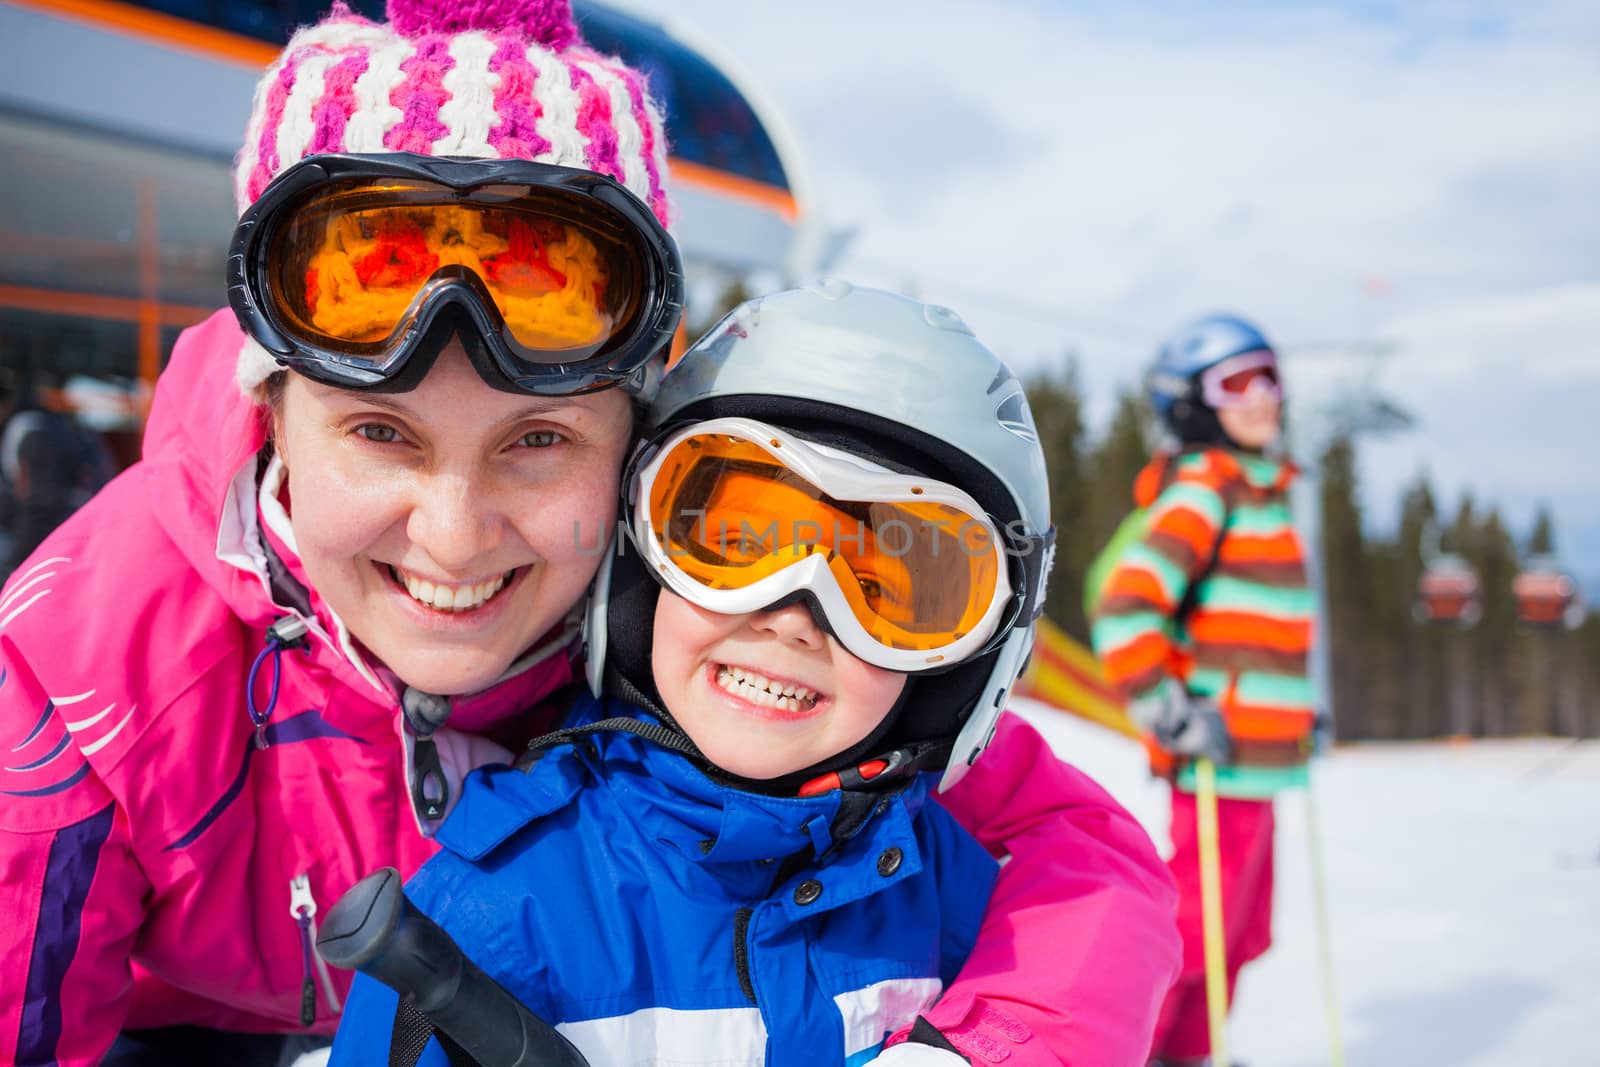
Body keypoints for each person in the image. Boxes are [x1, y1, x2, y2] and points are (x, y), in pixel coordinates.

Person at [0, 2, 1177, 1065]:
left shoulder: (696, 612)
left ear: (636, 446)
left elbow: (1080, 855)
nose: (455, 542)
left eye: (537, 441)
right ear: (272, 413)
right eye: (379, 432)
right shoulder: (86, 675)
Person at [331, 282, 1056, 1064]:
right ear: (639, 564)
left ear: (962, 665)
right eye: (736, 549)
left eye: (879, 591)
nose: (793, 615)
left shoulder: (955, 898)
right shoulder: (491, 920)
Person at [1091, 314, 1317, 1067]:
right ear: (1190, 402)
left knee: (1242, 931)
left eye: (1269, 377)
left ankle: (1191, 1052)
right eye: (1236, 383)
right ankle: (1138, 1049)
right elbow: (1127, 603)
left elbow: (1261, 631)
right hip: (1215, 758)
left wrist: (1299, 713)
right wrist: (1164, 705)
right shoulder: (1204, 491)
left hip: (1260, 761)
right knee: (1193, 927)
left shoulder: (1265, 494)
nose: (1262, 398)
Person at [0, 369, 114, 583]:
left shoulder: (31, 432)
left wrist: (13, 566)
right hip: (74, 535)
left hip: (65, 539)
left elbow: (41, 503)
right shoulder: (46, 425)